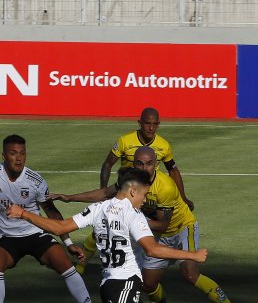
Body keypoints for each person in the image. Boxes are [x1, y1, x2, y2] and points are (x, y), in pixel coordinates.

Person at [9, 167, 219, 303]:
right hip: (125, 283)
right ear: (131, 191)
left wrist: (24, 214)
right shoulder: (133, 214)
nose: (145, 200)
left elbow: (60, 227)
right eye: (144, 194)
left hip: (112, 283)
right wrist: (191, 255)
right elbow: (152, 249)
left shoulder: (98, 208)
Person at [51, 146, 248, 303]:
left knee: (189, 274)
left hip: (181, 229)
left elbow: (163, 225)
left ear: (156, 164)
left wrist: (131, 219)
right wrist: (70, 198)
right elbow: (105, 193)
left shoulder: (166, 187)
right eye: (139, 163)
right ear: (133, 163)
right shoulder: (131, 181)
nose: (144, 168)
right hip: (156, 236)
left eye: (149, 164)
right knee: (148, 284)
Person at [0, 134, 101, 303]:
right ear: (3, 155)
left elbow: (52, 212)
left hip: (35, 234)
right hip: (6, 237)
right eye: (13, 153)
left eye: (22, 153)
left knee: (64, 263)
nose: (18, 158)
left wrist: (68, 243)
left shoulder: (35, 181)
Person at [77, 107, 193, 275]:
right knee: (105, 224)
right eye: (147, 124)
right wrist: (103, 189)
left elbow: (173, 170)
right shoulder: (125, 141)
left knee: (135, 232)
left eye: (154, 124)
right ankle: (83, 262)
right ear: (140, 123)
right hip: (124, 192)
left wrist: (183, 197)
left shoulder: (164, 145)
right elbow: (108, 163)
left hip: (144, 196)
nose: (151, 128)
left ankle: (130, 266)